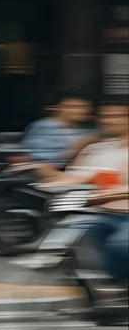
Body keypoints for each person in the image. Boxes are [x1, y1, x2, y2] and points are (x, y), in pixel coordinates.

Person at [58, 101, 129, 283]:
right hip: (101, 213)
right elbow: (79, 176)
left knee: (119, 246)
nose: (108, 121)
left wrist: (111, 193)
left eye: (116, 116)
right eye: (104, 116)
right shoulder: (96, 149)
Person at [21, 91, 97, 181]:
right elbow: (41, 166)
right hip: (47, 176)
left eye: (84, 107)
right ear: (57, 108)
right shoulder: (45, 127)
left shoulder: (81, 129)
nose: (79, 111)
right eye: (72, 107)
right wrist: (80, 145)